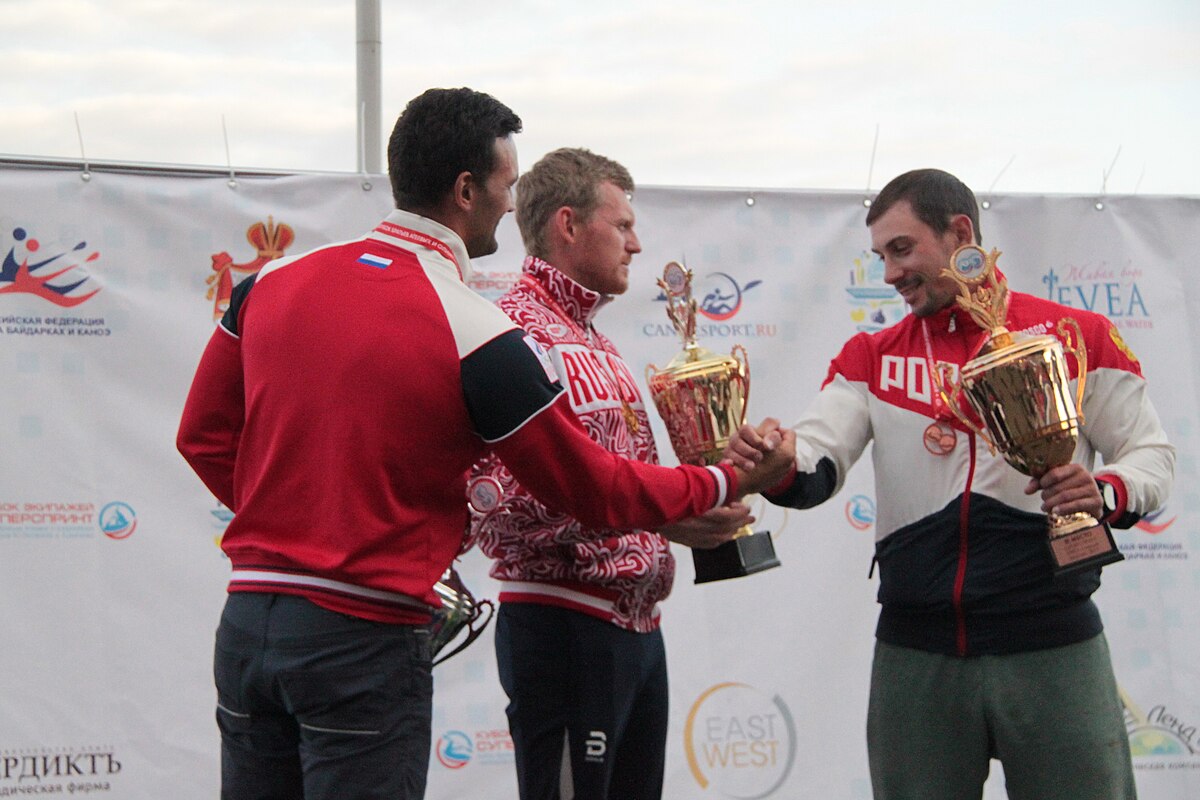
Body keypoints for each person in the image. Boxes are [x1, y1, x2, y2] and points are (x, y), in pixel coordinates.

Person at [176, 89, 795, 800]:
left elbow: (202, 437)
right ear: (466, 189)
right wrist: (726, 482)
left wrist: (302, 520)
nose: (510, 207)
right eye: (505, 188)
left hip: (251, 619)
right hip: (366, 632)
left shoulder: (270, 283)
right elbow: (590, 487)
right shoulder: (476, 326)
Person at [727, 168, 1174, 800]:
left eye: (902, 249)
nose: (889, 274)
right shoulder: (871, 355)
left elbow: (1151, 456)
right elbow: (817, 457)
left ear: (959, 231)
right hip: (919, 654)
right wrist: (776, 461)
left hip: (1051, 642)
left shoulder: (1078, 337)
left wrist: (1105, 492)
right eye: (880, 256)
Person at [467, 148, 750, 800]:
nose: (637, 243)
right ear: (568, 225)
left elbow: (630, 484)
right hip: (565, 630)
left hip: (633, 629)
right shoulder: (515, 332)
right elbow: (500, 503)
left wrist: (686, 520)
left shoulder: (596, 337)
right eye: (621, 226)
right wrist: (672, 506)